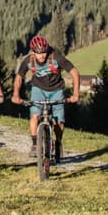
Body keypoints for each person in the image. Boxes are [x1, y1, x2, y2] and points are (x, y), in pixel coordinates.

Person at [12, 34, 80, 163]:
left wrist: (76, 94)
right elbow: (19, 77)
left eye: (44, 52)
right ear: (33, 52)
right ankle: (34, 144)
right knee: (34, 116)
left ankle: (58, 142)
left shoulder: (56, 57)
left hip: (57, 90)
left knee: (58, 121)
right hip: (38, 89)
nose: (42, 55)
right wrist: (16, 94)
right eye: (38, 53)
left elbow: (74, 72)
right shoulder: (28, 60)